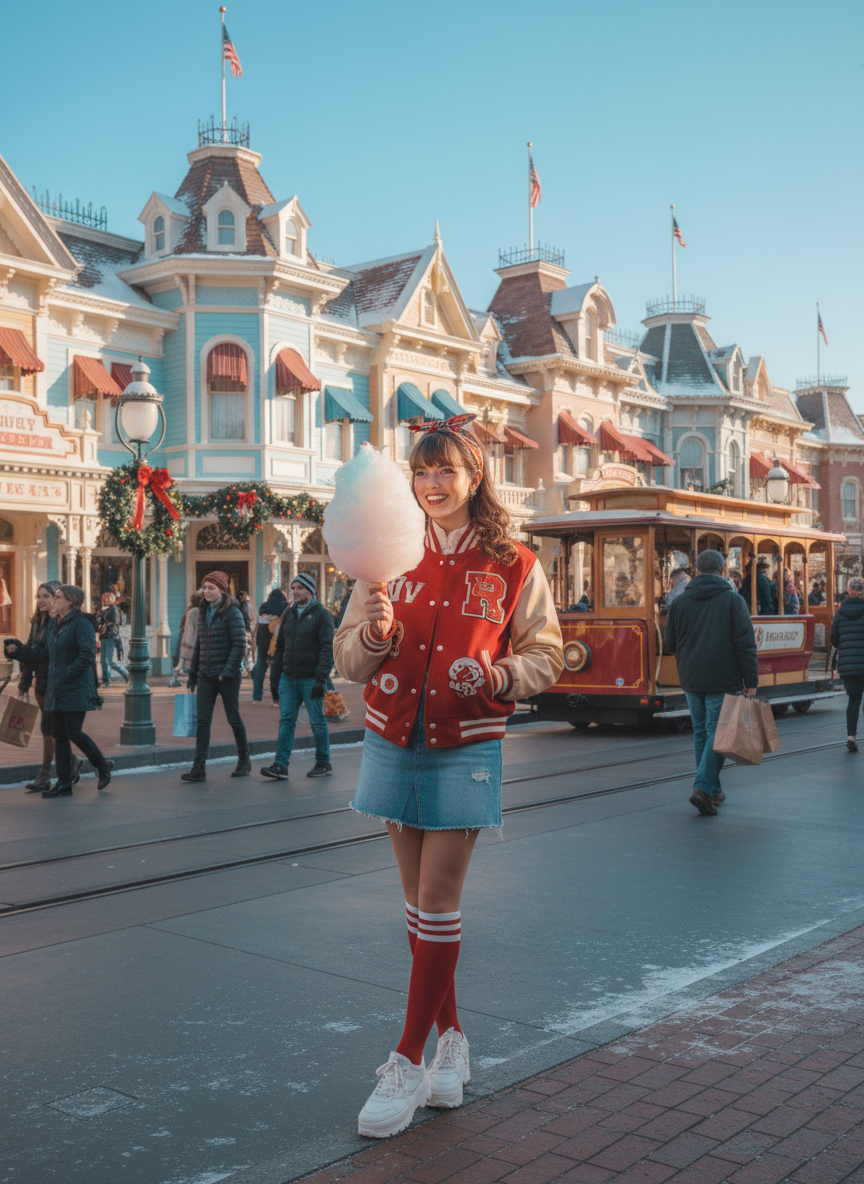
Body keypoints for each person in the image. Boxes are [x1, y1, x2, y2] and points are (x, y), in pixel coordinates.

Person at [334, 412, 563, 1139]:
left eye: (446, 471)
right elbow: (348, 659)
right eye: (422, 471)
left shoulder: (516, 563)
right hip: (392, 736)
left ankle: (406, 1062)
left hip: (467, 742)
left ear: (475, 476)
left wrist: (497, 672)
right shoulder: (385, 553)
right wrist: (371, 635)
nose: (432, 484)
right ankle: (454, 1043)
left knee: (437, 900)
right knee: (416, 905)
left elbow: (547, 656)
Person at [664, 550, 758, 816]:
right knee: (718, 735)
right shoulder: (733, 600)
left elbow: (670, 643)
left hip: (691, 678)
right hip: (723, 677)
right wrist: (750, 680)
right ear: (722, 568)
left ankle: (714, 791)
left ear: (697, 569)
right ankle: (703, 788)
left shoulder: (679, 603)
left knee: (703, 734)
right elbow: (745, 644)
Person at [4, 584, 114, 797]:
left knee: (74, 732)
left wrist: (66, 675)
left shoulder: (82, 625)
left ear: (70, 602)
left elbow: (87, 655)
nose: (53, 600)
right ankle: (64, 783)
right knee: (59, 735)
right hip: (55, 689)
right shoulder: (55, 625)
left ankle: (102, 766)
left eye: (57, 597)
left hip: (74, 688)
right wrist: (18, 651)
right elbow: (43, 653)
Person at [261, 572, 335, 780]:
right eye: (292, 588)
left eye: (299, 588)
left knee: (317, 721)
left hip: (311, 678)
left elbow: (327, 649)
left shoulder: (322, 615)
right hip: (288, 678)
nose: (294, 592)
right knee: (286, 721)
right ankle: (280, 765)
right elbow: (280, 647)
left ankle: (323, 762)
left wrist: (321, 679)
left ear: (310, 591)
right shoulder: (288, 614)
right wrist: (275, 678)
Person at [182, 571, 250, 782]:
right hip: (205, 675)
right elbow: (199, 645)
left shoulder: (233, 613)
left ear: (222, 590)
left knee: (233, 718)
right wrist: (193, 673)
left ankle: (244, 760)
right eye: (205, 588)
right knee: (203, 722)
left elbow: (240, 645)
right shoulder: (202, 611)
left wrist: (227, 672)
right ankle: (199, 768)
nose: (207, 592)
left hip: (227, 676)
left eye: (211, 588)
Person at [16, 581, 80, 793]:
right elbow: (29, 651)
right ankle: (72, 762)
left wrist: (17, 651)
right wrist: (25, 683)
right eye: (38, 596)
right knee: (55, 730)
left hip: (54, 683)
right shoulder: (37, 621)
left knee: (50, 729)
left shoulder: (56, 622)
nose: (40, 600)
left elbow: (43, 654)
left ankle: (45, 774)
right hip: (40, 684)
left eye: (45, 596)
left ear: (56, 599)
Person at [829, 576, 864, 752]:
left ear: (849, 591)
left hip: (849, 665)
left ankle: (851, 737)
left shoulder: (840, 612)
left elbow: (833, 639)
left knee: (854, 700)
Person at [251, 587, 288, 704]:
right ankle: (276, 699)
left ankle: (256, 697)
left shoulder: (263, 606)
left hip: (262, 644)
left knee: (260, 670)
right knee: (276, 672)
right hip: (276, 644)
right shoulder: (285, 607)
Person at [169, 591, 202, 688]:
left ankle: (175, 679)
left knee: (181, 661)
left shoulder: (190, 609)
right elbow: (195, 628)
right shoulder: (195, 611)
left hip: (185, 635)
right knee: (185, 662)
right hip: (189, 637)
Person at [96, 592, 129, 685]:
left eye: (106, 598)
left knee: (111, 661)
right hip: (103, 637)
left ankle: (127, 675)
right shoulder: (104, 610)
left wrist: (104, 627)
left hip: (110, 637)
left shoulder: (113, 609)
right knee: (103, 660)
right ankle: (106, 679)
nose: (104, 600)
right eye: (104, 599)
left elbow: (115, 623)